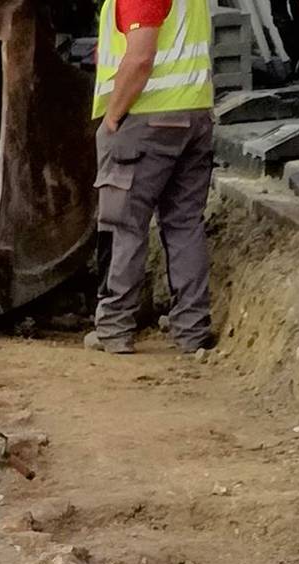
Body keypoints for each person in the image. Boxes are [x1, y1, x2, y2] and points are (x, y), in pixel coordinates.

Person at [87, 0, 216, 356]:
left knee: (123, 223)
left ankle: (114, 326)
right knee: (184, 223)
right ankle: (192, 330)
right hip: (194, 114)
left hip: (147, 119)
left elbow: (141, 56)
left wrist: (113, 116)